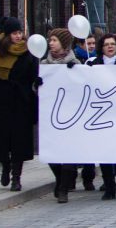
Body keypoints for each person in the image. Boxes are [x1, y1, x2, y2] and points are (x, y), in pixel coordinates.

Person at [0, 17, 38, 192]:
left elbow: (35, 74)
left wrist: (38, 82)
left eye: (19, 32)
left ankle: (16, 177)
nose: (18, 36)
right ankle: (5, 166)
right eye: (14, 33)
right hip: (0, 101)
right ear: (7, 35)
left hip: (21, 102)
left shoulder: (29, 52)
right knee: (1, 139)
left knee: (19, 140)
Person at [88, 34, 116, 199]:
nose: (110, 47)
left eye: (113, 44)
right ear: (102, 47)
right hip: (102, 115)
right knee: (105, 152)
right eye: (106, 44)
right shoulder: (94, 64)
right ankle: (109, 186)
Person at [42, 28, 78, 203]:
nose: (51, 43)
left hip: (71, 116)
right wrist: (37, 84)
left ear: (63, 43)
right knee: (53, 155)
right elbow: (37, 92)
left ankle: (64, 189)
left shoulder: (75, 63)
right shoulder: (44, 64)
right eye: (50, 40)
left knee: (69, 154)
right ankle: (60, 179)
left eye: (54, 40)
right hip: (51, 115)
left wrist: (76, 73)